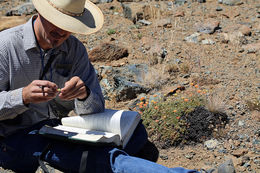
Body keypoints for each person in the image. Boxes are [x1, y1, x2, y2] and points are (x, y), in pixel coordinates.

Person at [0, 0, 216, 173]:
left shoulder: (74, 50)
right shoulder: (6, 46)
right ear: (41, 14)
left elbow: (95, 109)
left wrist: (83, 95)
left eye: (69, 26)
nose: (62, 32)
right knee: (104, 156)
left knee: (135, 133)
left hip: (59, 127)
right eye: (57, 22)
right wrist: (23, 96)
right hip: (14, 138)